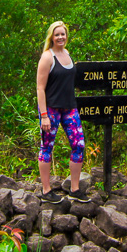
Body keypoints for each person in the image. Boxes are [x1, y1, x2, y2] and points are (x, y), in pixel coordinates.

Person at [36, 20, 89, 203]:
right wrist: (43, 115)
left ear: (67, 36)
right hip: (50, 109)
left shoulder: (67, 54)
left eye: (63, 34)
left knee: (79, 145)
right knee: (47, 148)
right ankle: (46, 190)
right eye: (57, 34)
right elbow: (40, 88)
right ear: (51, 36)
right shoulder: (47, 57)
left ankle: (75, 189)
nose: (60, 37)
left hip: (69, 108)